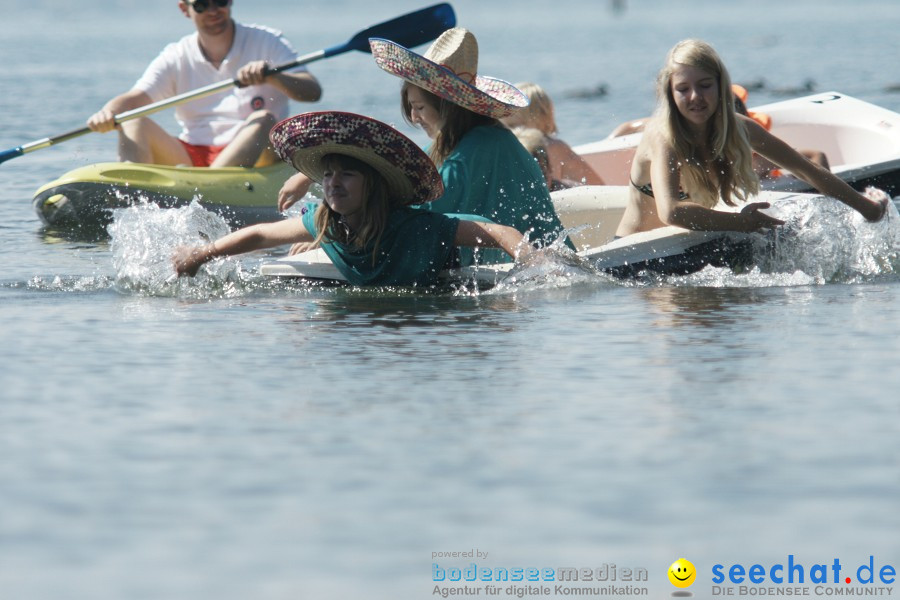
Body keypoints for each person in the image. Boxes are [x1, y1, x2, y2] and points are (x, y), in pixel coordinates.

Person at [172, 111, 532, 286]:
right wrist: (204, 253)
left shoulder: (416, 226)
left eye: (347, 175)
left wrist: (529, 259)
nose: (332, 184)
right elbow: (262, 235)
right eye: (327, 175)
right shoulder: (328, 221)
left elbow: (498, 232)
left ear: (373, 186)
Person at [615, 39, 889, 239]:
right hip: (634, 260)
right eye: (683, 89)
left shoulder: (741, 129)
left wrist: (867, 208)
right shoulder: (664, 137)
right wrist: (742, 223)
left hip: (692, 246)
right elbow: (671, 213)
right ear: (671, 94)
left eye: (705, 85)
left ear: (721, 86)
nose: (695, 97)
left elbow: (805, 169)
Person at [368, 27, 572, 265]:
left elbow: (417, 215)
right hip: (548, 261)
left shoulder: (464, 157)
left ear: (448, 107)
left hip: (519, 267)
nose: (413, 117)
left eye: (420, 108)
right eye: (411, 107)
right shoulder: (490, 139)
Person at [88, 0, 322, 168]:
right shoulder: (176, 55)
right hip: (193, 153)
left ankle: (208, 191)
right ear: (185, 9)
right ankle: (130, 196)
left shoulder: (268, 40)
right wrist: (108, 112)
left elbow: (312, 91)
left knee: (264, 119)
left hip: (259, 152)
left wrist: (273, 76)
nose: (213, 11)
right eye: (201, 4)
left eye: (219, 2)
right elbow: (136, 98)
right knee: (132, 118)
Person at [501, 82, 605, 187]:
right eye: (506, 127)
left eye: (515, 126)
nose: (512, 132)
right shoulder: (509, 147)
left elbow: (597, 187)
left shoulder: (553, 147)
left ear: (540, 119)